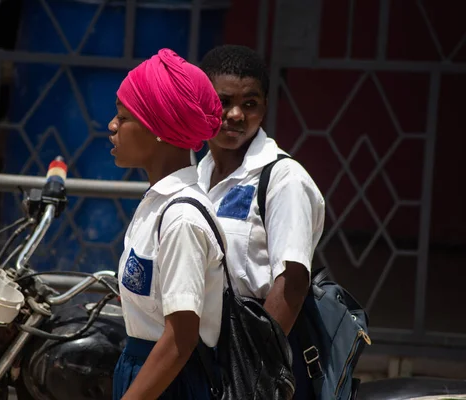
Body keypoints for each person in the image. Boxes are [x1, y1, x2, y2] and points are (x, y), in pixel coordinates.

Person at [197, 44, 326, 400]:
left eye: (250, 104)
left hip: (260, 363)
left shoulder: (284, 179)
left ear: (265, 106)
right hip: (208, 357)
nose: (236, 115)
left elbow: (293, 281)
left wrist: (254, 372)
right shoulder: (197, 175)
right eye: (223, 101)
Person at [108, 48, 226, 400]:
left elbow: (180, 339)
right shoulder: (157, 204)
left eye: (123, 116)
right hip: (145, 371)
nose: (112, 126)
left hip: (171, 384)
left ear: (158, 129)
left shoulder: (182, 219)